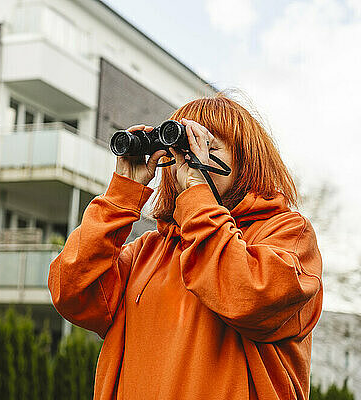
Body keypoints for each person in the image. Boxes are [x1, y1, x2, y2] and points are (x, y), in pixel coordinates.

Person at [48, 93, 323, 400]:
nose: (187, 160)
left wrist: (197, 194)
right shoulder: (148, 251)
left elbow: (249, 298)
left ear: (245, 159)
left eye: (205, 146)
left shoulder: (287, 234)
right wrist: (120, 195)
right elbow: (71, 291)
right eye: (181, 150)